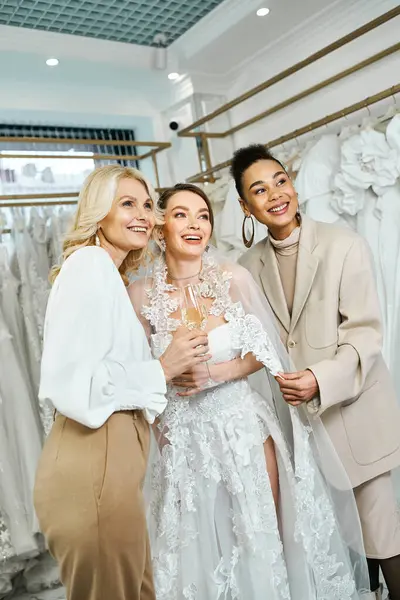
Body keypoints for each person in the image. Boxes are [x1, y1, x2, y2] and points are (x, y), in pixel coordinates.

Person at [128, 182, 371, 600]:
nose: (195, 224)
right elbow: (139, 372)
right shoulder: (139, 296)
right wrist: (165, 384)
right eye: (182, 214)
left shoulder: (232, 278)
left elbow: (265, 352)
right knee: (199, 543)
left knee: (260, 536)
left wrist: (217, 373)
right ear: (159, 228)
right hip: (182, 438)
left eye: (203, 216)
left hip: (243, 428)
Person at [33, 166, 210, 600]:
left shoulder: (109, 276)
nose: (143, 215)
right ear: (98, 213)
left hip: (105, 464)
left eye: (148, 205)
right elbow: (75, 384)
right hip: (93, 462)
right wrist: (162, 368)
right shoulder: (90, 265)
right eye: (127, 203)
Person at [233, 144, 400, 600]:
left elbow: (365, 333)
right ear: (246, 207)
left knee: (383, 534)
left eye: (280, 181)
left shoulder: (344, 243)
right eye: (259, 190)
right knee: (340, 538)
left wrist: (319, 379)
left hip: (355, 409)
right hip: (300, 426)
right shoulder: (246, 268)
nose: (275, 195)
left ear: (294, 183)